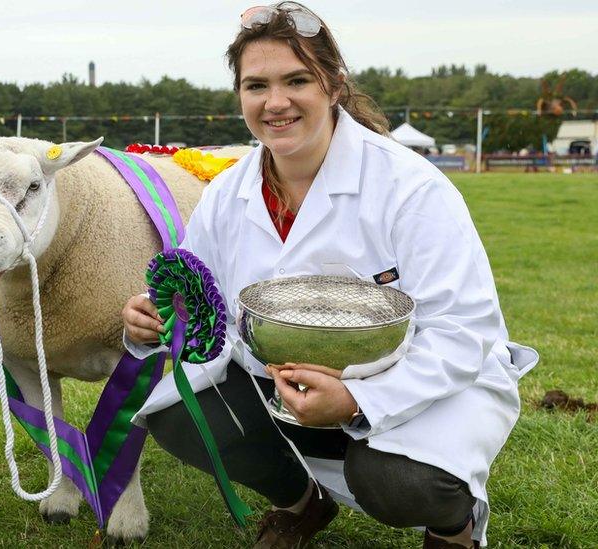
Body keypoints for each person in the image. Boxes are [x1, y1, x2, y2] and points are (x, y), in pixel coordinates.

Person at [121, 3, 537, 548]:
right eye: (256, 85)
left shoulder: (410, 187)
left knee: (396, 479)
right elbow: (208, 308)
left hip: (420, 382)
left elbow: (465, 329)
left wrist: (360, 400)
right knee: (178, 415)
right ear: (240, 95)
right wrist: (155, 320)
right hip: (282, 383)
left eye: (297, 80)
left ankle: (454, 529)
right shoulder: (227, 193)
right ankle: (302, 503)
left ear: (334, 85)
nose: (276, 103)